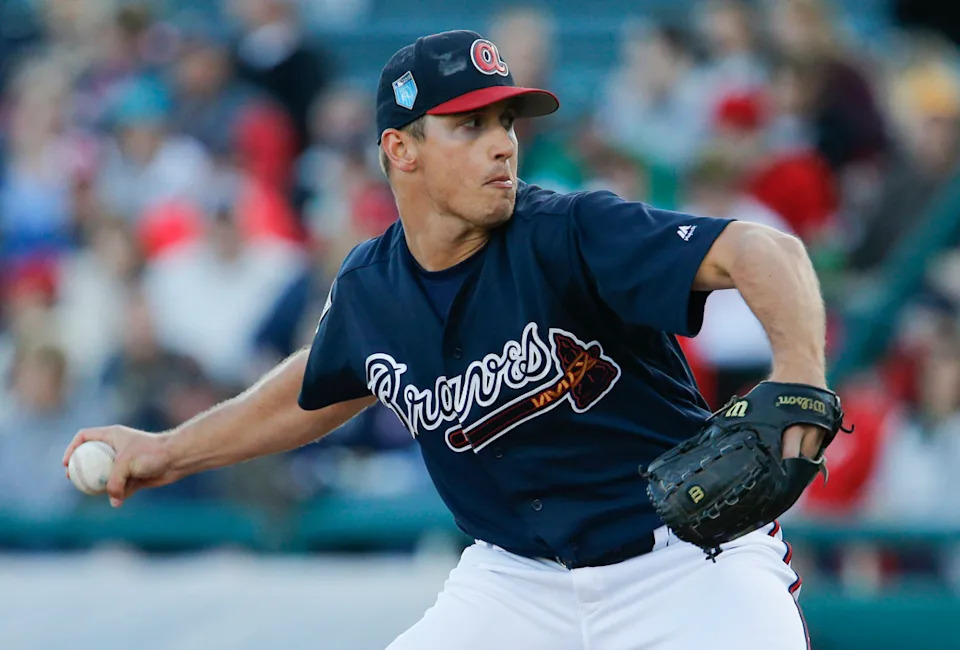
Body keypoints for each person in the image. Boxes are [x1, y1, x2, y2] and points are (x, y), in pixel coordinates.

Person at [64, 30, 830, 649]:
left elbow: (766, 252)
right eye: (470, 126)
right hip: (517, 584)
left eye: (506, 123)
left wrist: (800, 376)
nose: (503, 144)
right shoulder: (372, 289)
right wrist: (167, 450)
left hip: (685, 566)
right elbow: (313, 391)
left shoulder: (570, 231)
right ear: (402, 150)